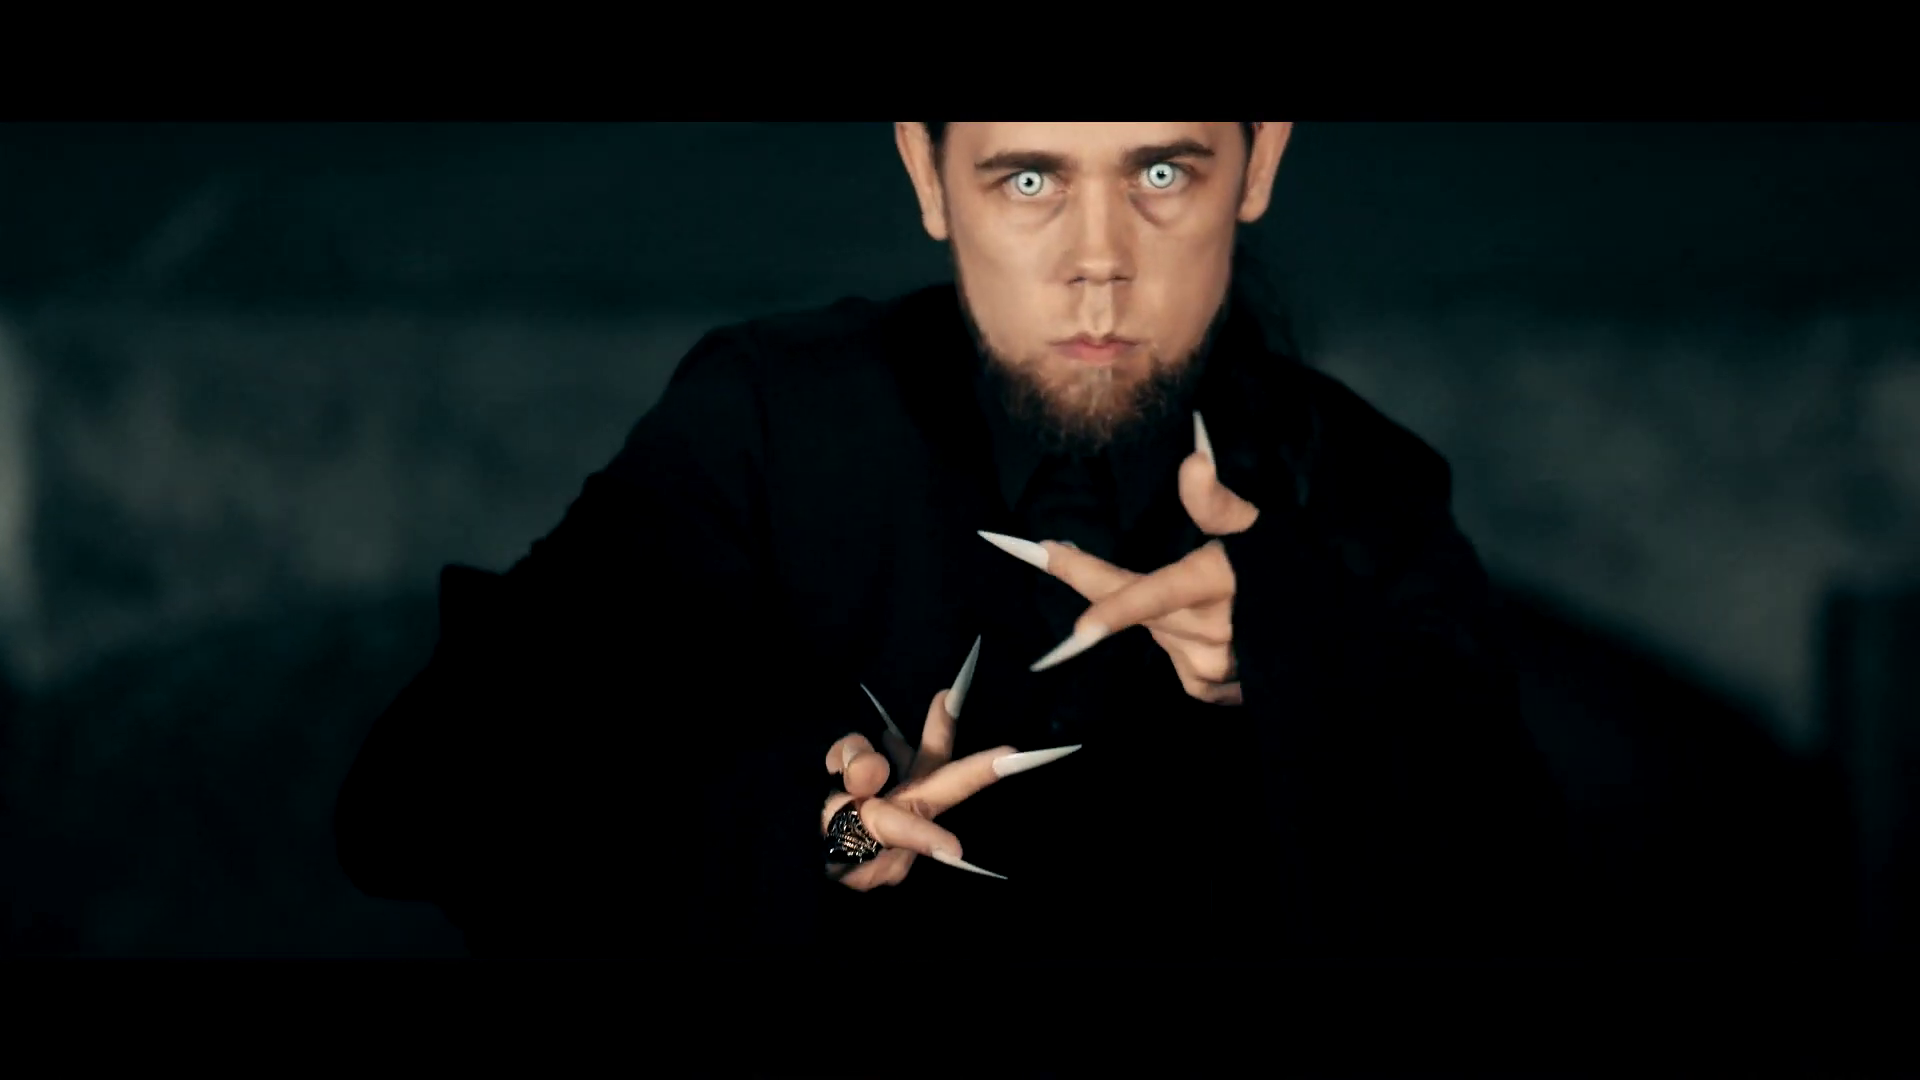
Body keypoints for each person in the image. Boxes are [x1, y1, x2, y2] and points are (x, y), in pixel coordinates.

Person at [334, 122, 1569, 962]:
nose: (1099, 262)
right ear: (927, 175)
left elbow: (1521, 900)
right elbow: (420, 802)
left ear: (1259, 164)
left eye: (1162, 172)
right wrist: (816, 829)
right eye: (1028, 180)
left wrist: (1305, 659)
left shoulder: (1352, 480)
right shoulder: (771, 420)